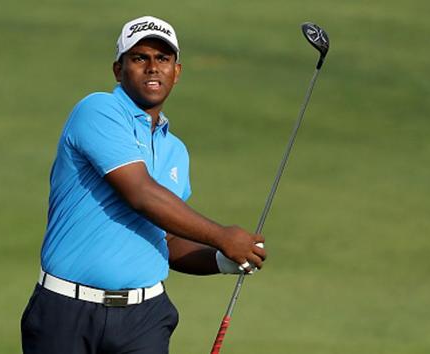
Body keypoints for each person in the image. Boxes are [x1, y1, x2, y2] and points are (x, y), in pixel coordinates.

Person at [20, 15, 266, 354]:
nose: (153, 67)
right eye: (139, 58)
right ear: (118, 71)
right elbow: (141, 194)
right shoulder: (98, 110)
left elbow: (169, 241)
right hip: (67, 312)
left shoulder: (175, 150)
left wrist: (223, 258)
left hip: (144, 319)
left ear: (176, 72)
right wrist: (223, 236)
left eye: (163, 59)